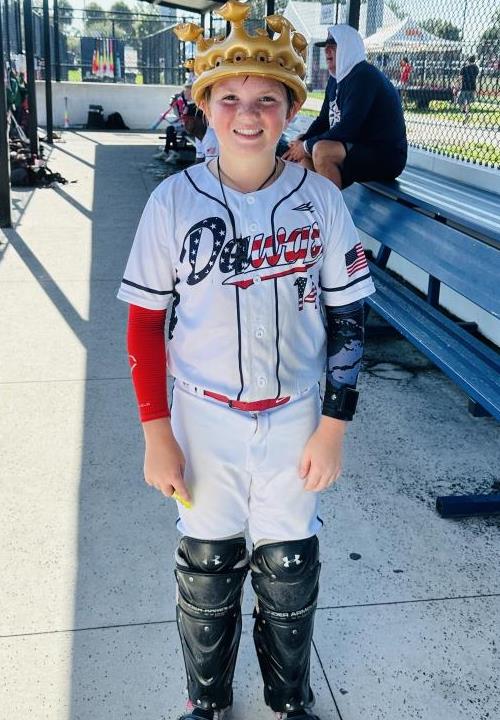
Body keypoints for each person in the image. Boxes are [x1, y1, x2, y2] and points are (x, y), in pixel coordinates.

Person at [117, 3, 375, 720]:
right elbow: (144, 324)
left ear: (292, 108)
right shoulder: (173, 201)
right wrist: (156, 432)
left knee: (289, 562)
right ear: (203, 106)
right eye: (228, 97)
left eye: (267, 98)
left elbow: (348, 317)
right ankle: (206, 703)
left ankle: (289, 701)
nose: (248, 114)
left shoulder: (320, 201)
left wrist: (334, 427)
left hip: (295, 415)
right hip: (203, 418)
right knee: (207, 563)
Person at [284, 25, 407, 189]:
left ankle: (334, 205)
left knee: (320, 150)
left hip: (386, 156)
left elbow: (348, 128)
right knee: (306, 147)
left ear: (348, 48)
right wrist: (303, 141)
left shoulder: (364, 76)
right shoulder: (335, 78)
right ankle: (318, 201)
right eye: (326, 46)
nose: (327, 51)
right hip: (358, 148)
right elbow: (323, 120)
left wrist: (306, 146)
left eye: (333, 46)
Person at [158, 82, 192, 162]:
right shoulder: (185, 101)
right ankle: (170, 151)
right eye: (185, 91)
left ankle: (171, 151)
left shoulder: (193, 102)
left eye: (187, 92)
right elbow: (182, 114)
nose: (184, 94)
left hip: (191, 127)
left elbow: (189, 116)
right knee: (170, 129)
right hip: (185, 124)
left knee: (170, 129)